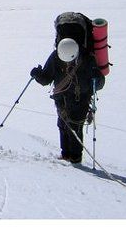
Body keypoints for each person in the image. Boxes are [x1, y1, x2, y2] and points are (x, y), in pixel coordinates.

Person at [30, 12, 105, 164]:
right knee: (68, 126)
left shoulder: (57, 56)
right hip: (76, 99)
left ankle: (74, 158)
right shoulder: (86, 57)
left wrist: (37, 74)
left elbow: (46, 79)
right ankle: (68, 156)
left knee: (70, 127)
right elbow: (99, 83)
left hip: (67, 98)